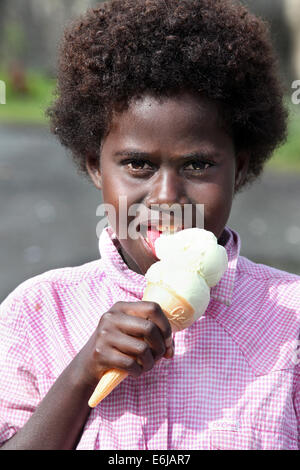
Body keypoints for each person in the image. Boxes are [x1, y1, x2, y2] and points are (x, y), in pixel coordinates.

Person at [0, 0, 299, 450]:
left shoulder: (290, 322)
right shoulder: (37, 314)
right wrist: (83, 375)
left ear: (238, 169)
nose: (166, 197)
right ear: (95, 167)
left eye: (198, 165)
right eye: (138, 164)